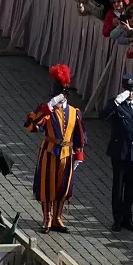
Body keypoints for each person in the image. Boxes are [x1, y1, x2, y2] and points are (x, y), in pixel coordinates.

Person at [24, 64, 85, 232]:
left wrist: (79, 156)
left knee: (63, 187)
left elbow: (79, 136)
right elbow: (31, 126)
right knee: (47, 186)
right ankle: (47, 217)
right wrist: (48, 107)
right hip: (49, 151)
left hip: (67, 154)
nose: (62, 98)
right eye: (60, 95)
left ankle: (58, 217)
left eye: (64, 95)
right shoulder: (46, 111)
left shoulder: (74, 112)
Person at [102, 73, 133, 231]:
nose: (130, 92)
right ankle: (117, 219)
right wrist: (116, 101)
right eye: (127, 89)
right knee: (118, 187)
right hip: (120, 152)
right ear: (123, 89)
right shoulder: (117, 104)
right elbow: (103, 115)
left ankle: (128, 218)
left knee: (130, 189)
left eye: (132, 89)